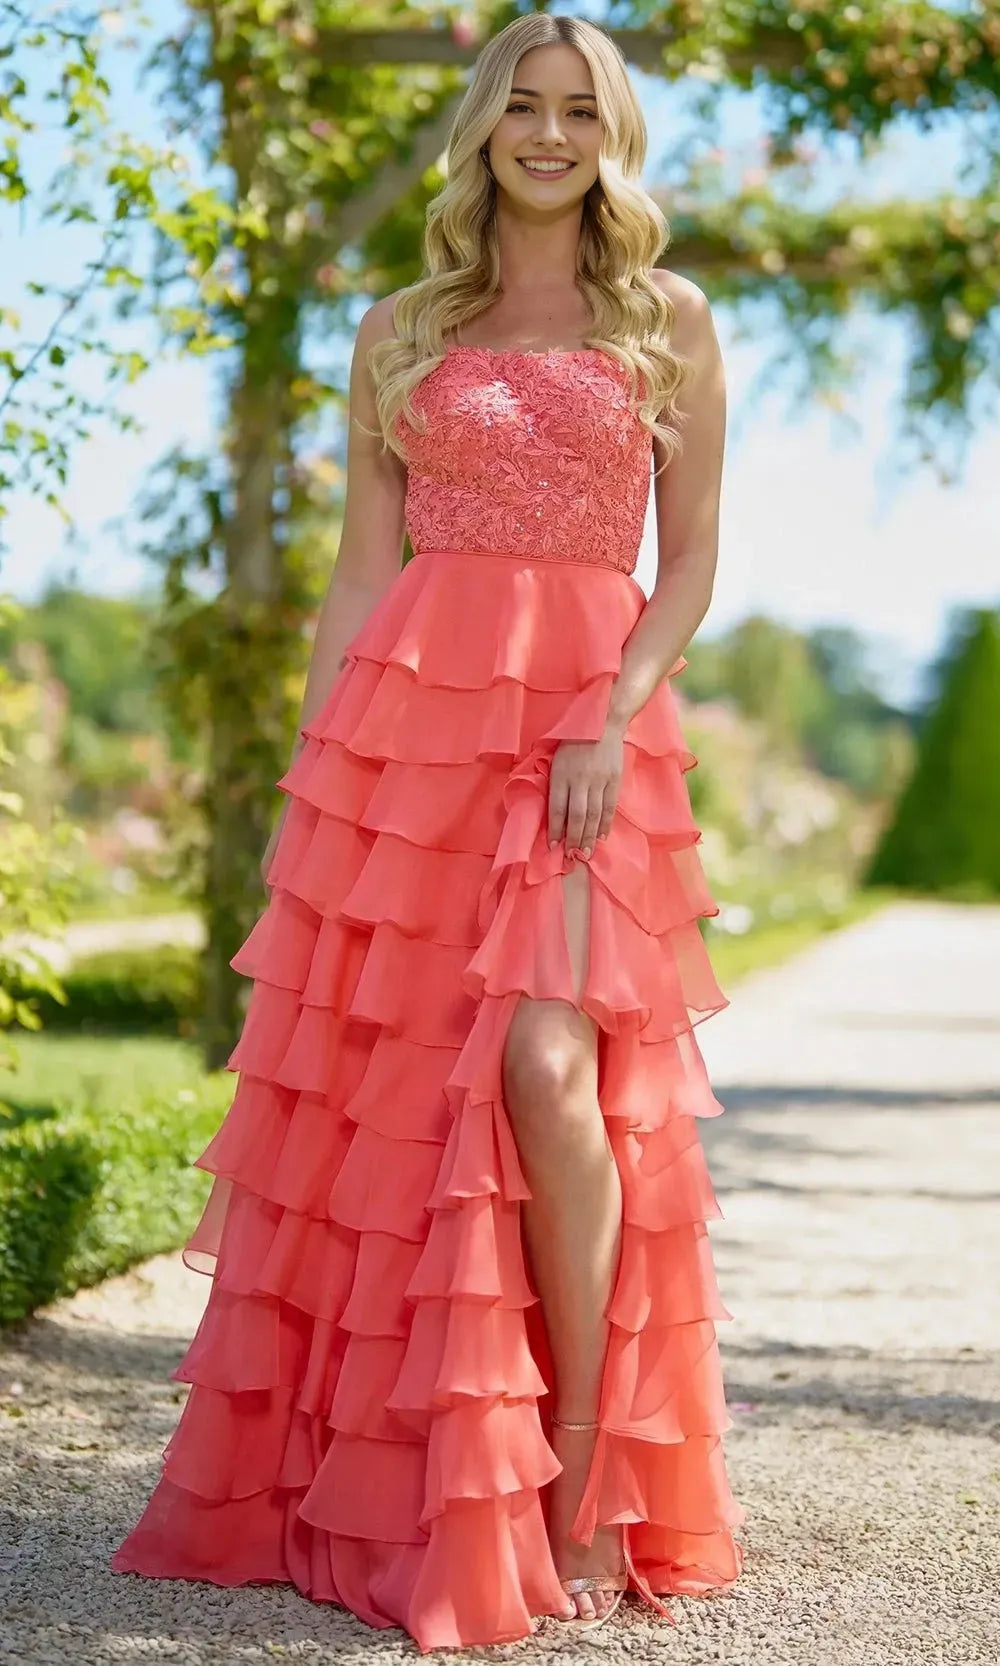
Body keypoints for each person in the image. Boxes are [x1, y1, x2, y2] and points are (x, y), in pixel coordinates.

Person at [109, 10, 745, 1652]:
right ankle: (407, 1481)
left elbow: (689, 564)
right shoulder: (400, 327)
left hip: (590, 734)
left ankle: (583, 1482)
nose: (549, 135)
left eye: (580, 111)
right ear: (481, 125)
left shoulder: (667, 318)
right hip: (413, 736)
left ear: (613, 135)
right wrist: (323, 783)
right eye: (523, 106)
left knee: (547, 1065)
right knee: (399, 1094)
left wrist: (610, 716)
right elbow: (359, 569)